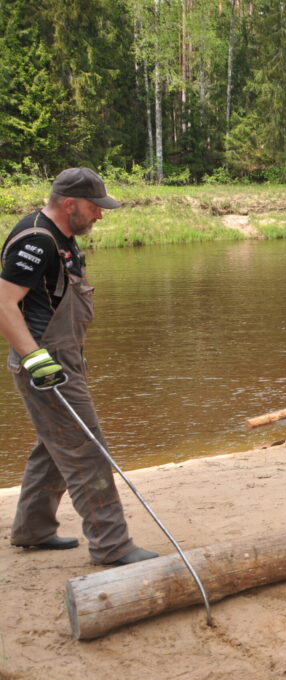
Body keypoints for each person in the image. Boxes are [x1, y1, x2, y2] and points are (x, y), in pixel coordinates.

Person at [1, 168, 157, 566]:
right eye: (94, 208)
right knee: (87, 449)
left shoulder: (63, 238)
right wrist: (36, 359)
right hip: (45, 361)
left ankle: (32, 530)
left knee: (55, 446)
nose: (100, 216)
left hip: (64, 356)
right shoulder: (36, 240)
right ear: (70, 204)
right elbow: (3, 303)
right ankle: (112, 546)